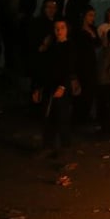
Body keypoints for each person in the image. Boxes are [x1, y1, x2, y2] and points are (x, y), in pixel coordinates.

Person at [34, 19, 78, 156]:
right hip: (49, 85)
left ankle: (66, 146)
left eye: (62, 28)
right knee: (48, 116)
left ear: (67, 29)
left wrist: (63, 86)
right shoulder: (52, 47)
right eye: (56, 28)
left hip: (61, 86)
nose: (59, 31)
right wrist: (39, 88)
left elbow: (69, 68)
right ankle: (48, 146)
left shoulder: (70, 46)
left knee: (62, 116)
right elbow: (44, 68)